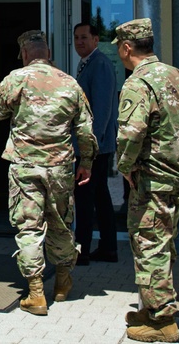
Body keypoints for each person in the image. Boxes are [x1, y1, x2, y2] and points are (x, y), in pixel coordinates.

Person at [0, 30, 96, 317]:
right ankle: (62, 282)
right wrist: (87, 162)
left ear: (25, 54)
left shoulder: (16, 79)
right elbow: (85, 129)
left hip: (24, 165)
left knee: (29, 226)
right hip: (60, 166)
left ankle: (36, 292)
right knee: (60, 222)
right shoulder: (70, 83)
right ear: (47, 53)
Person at [115, 18, 179, 344]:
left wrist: (124, 166)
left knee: (148, 243)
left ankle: (162, 320)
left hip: (152, 178)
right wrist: (174, 146)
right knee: (161, 241)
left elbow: (131, 133)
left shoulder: (138, 83)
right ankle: (151, 309)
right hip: (176, 174)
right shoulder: (175, 75)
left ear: (127, 48)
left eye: (120, 49)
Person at [73, 22, 119, 265]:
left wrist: (90, 149)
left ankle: (82, 252)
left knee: (85, 198)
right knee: (100, 197)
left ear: (96, 40)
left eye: (84, 37)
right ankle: (108, 248)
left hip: (94, 147)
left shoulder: (99, 64)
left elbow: (101, 111)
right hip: (94, 145)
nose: (79, 42)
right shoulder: (87, 64)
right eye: (76, 38)